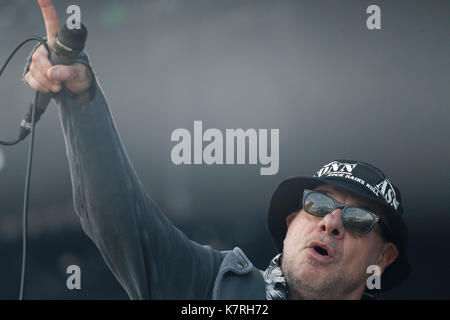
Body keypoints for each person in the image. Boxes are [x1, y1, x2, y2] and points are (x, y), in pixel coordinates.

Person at [24, 0, 410, 300]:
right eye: (318, 206)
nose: (331, 224)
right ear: (292, 222)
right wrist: (80, 100)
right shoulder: (211, 286)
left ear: (383, 258)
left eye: (358, 220)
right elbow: (120, 222)